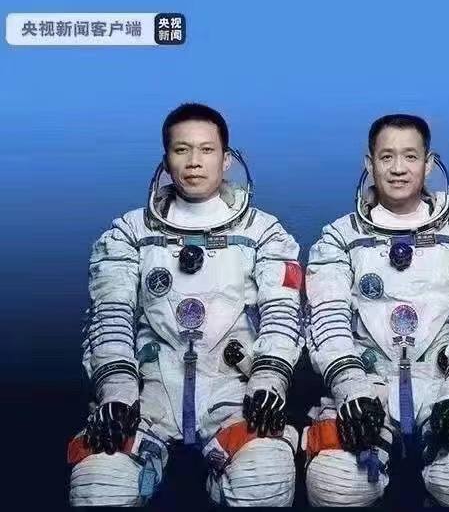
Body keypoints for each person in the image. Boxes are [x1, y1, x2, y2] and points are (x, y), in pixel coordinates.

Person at [67, 103, 303, 506]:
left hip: (234, 391)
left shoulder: (264, 232)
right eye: (182, 149)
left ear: (226, 160)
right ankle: (144, 460)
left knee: (264, 481)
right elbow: (110, 315)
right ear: (166, 161)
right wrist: (116, 388)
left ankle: (222, 474)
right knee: (101, 487)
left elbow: (283, 313)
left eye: (207, 150)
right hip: (149, 393)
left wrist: (269, 378)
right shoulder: (129, 232)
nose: (194, 161)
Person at [302, 114, 449, 506]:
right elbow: (327, 320)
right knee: (335, 486)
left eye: (410, 156)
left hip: (445, 381)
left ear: (429, 164)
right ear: (369, 163)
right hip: (367, 383)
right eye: (387, 157)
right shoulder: (339, 237)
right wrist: (349, 386)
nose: (398, 168)